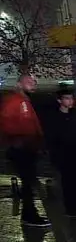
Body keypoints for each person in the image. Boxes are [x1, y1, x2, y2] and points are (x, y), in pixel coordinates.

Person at [0, 75, 49, 227]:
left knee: (29, 182)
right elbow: (8, 123)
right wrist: (20, 140)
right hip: (22, 148)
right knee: (28, 182)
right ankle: (29, 215)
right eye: (29, 82)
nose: (33, 84)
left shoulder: (24, 101)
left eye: (34, 82)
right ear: (19, 84)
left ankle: (29, 214)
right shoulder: (15, 102)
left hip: (28, 147)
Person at [43, 89, 76, 217]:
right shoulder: (54, 117)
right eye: (67, 98)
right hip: (63, 154)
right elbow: (51, 138)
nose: (70, 101)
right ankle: (70, 207)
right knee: (67, 182)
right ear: (60, 100)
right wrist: (54, 154)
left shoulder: (75, 114)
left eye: (71, 98)